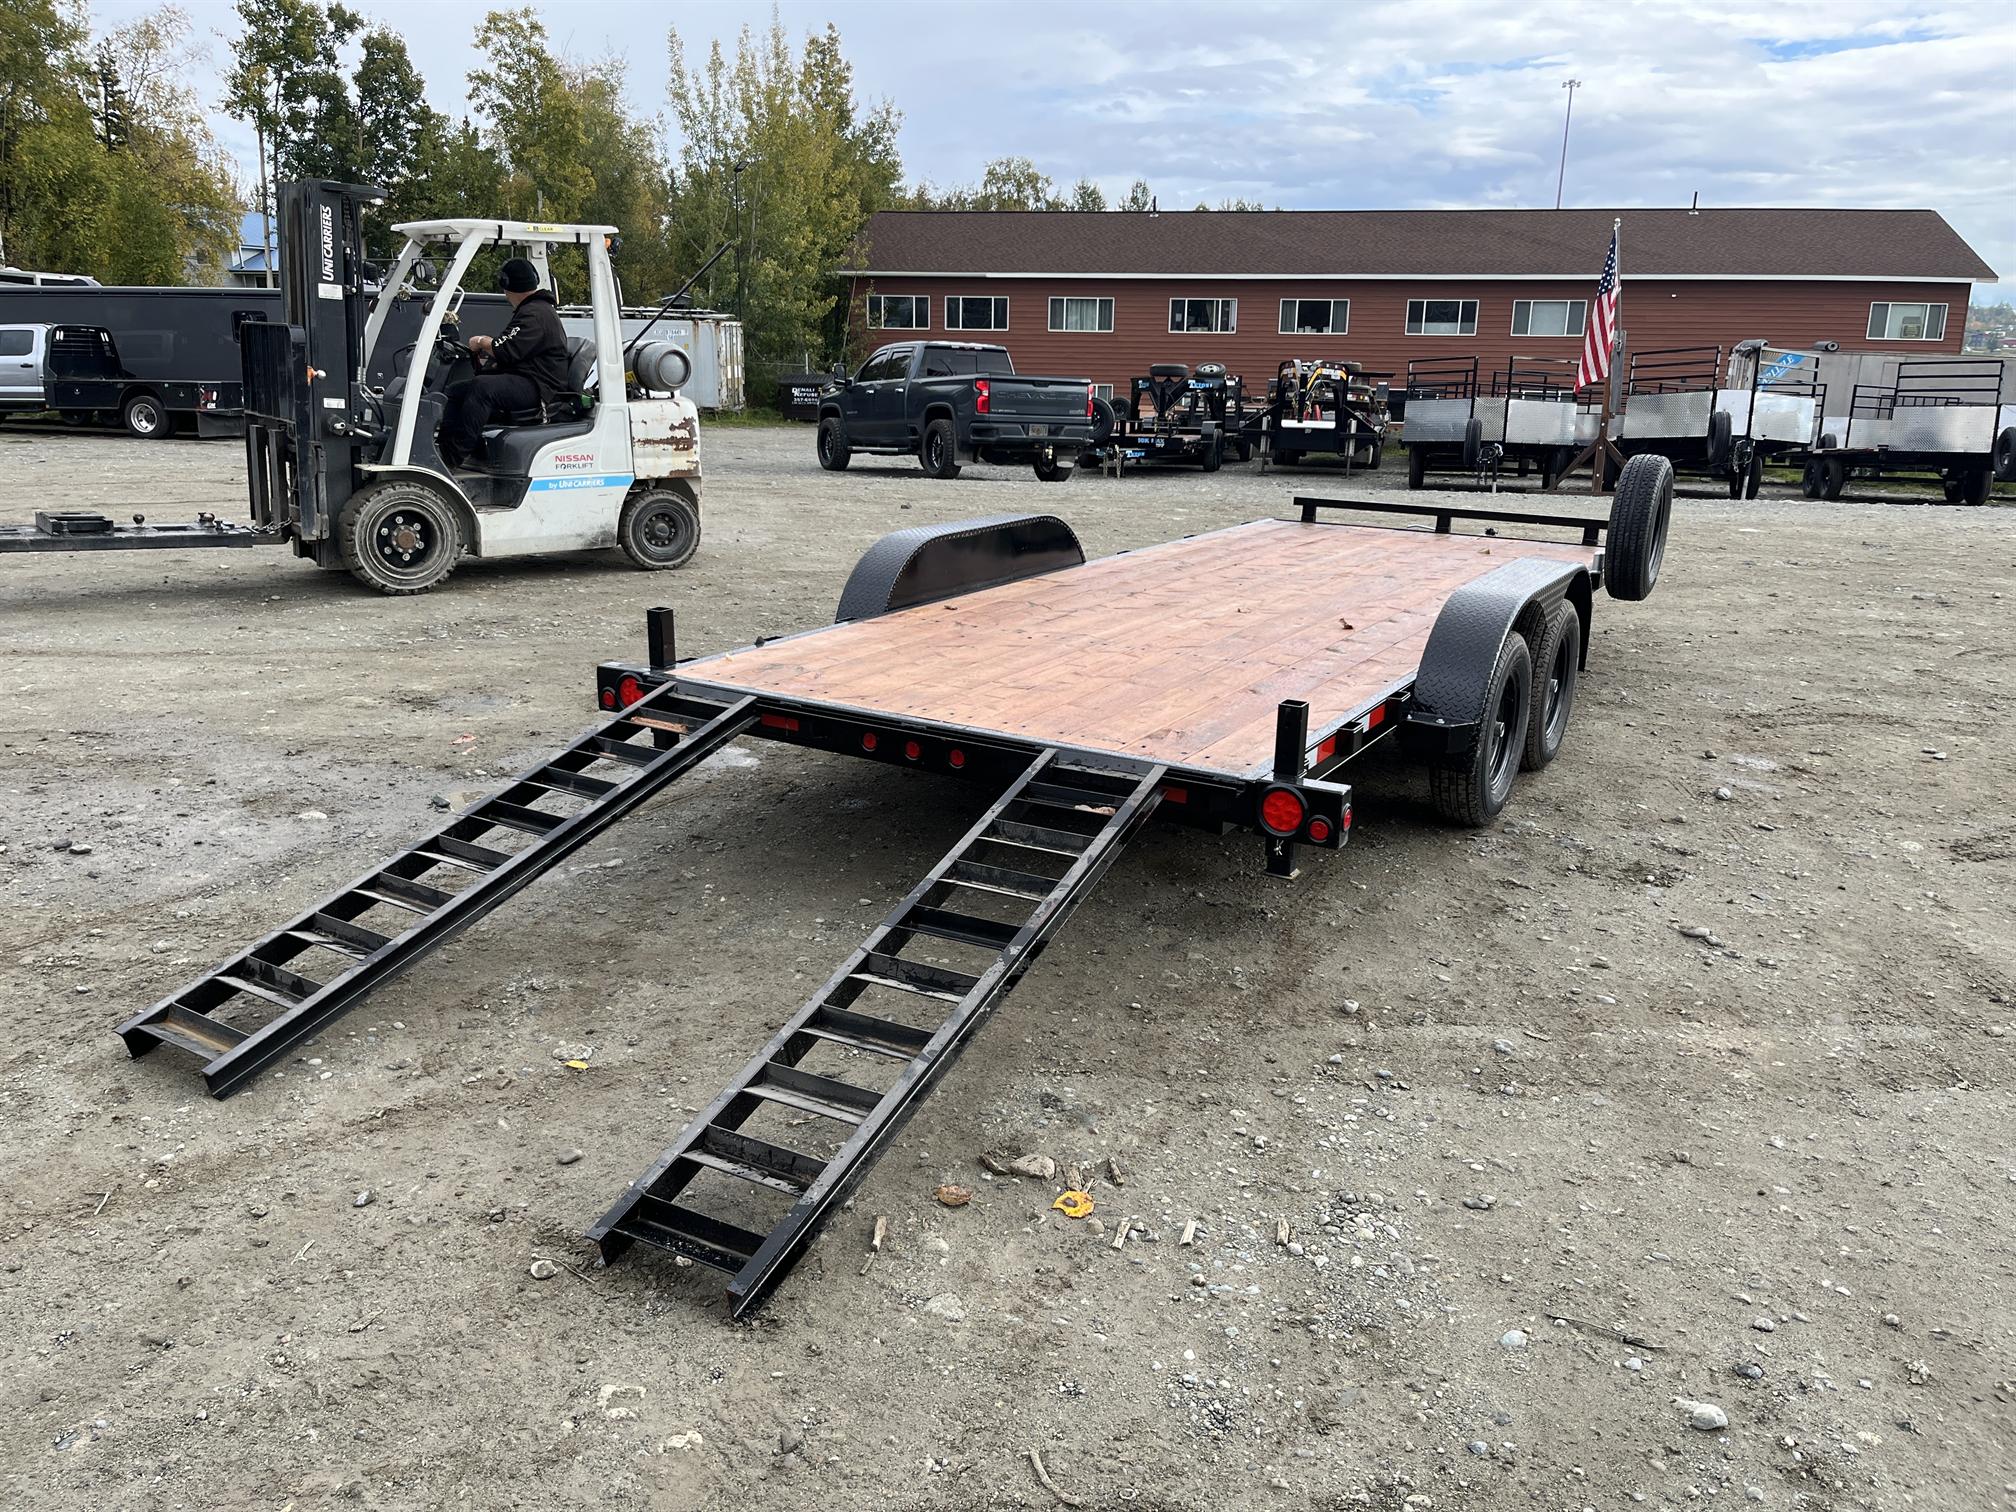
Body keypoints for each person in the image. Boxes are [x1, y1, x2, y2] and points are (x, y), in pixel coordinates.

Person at [437, 257, 571, 468]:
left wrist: (480, 341)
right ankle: (444, 450)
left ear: (507, 285)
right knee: (456, 390)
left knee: (482, 388)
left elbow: (504, 349)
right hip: (527, 378)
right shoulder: (533, 310)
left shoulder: (535, 313)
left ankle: (454, 456)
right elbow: (512, 348)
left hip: (540, 387)